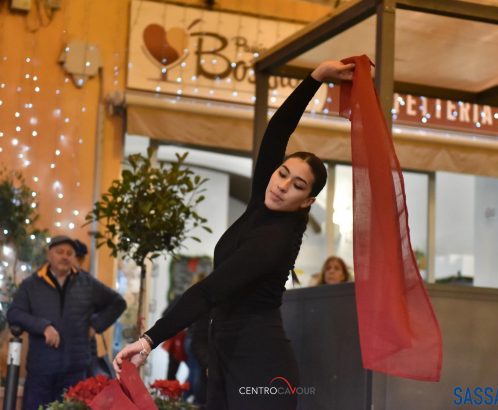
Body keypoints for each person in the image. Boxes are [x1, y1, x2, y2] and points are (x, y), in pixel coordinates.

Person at [113, 60, 355, 410]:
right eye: (283, 173)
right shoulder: (263, 201)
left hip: (262, 368)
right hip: (226, 354)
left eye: (297, 185)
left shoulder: (275, 240)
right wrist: (315, 78)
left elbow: (210, 291)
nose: (282, 185)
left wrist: (150, 340)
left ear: (308, 201)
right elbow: (277, 131)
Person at [7, 235, 127, 410]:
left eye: (69, 253)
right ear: (49, 255)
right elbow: (14, 313)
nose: (64, 256)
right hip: (41, 371)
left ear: (74, 257)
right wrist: (43, 326)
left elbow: (118, 303)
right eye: (59, 252)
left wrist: (96, 326)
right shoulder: (31, 284)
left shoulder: (87, 283)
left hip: (75, 371)